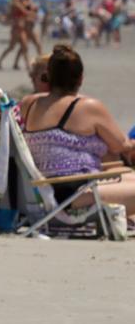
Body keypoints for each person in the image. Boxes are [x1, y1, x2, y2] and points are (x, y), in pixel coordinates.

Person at [19, 45, 135, 220]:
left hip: (43, 188)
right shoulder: (88, 106)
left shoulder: (29, 103)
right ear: (80, 78)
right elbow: (120, 145)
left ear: (48, 76)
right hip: (72, 192)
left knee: (130, 176)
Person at [0, 0, 35, 71]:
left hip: (21, 28)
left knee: (24, 46)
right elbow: (24, 11)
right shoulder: (15, 3)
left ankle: (27, 65)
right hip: (16, 28)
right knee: (12, 47)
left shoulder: (18, 3)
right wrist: (31, 10)